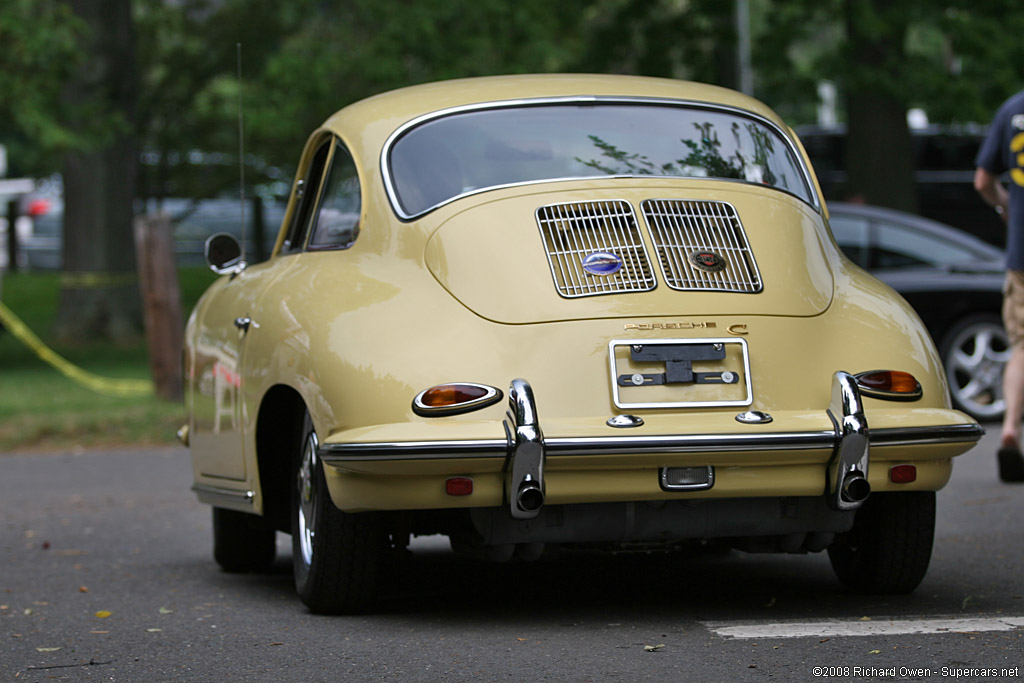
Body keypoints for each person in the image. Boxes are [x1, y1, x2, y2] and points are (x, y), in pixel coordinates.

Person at [975, 89, 1024, 482]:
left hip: (1021, 257)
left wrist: (1005, 204)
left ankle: (1009, 428)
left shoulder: (1012, 109)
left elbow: (982, 181)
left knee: (1022, 346)